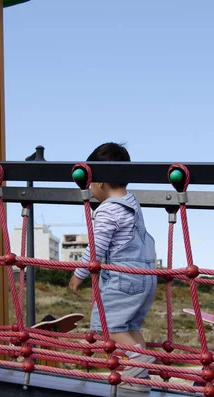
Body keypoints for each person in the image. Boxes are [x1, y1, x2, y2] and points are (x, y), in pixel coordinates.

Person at [68, 142, 157, 392]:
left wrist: (79, 275)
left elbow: (95, 248)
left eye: (90, 184)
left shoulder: (107, 210)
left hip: (123, 278)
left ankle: (139, 360)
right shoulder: (133, 204)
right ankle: (140, 378)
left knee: (109, 326)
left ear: (100, 182)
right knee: (130, 327)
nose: (90, 191)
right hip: (146, 276)